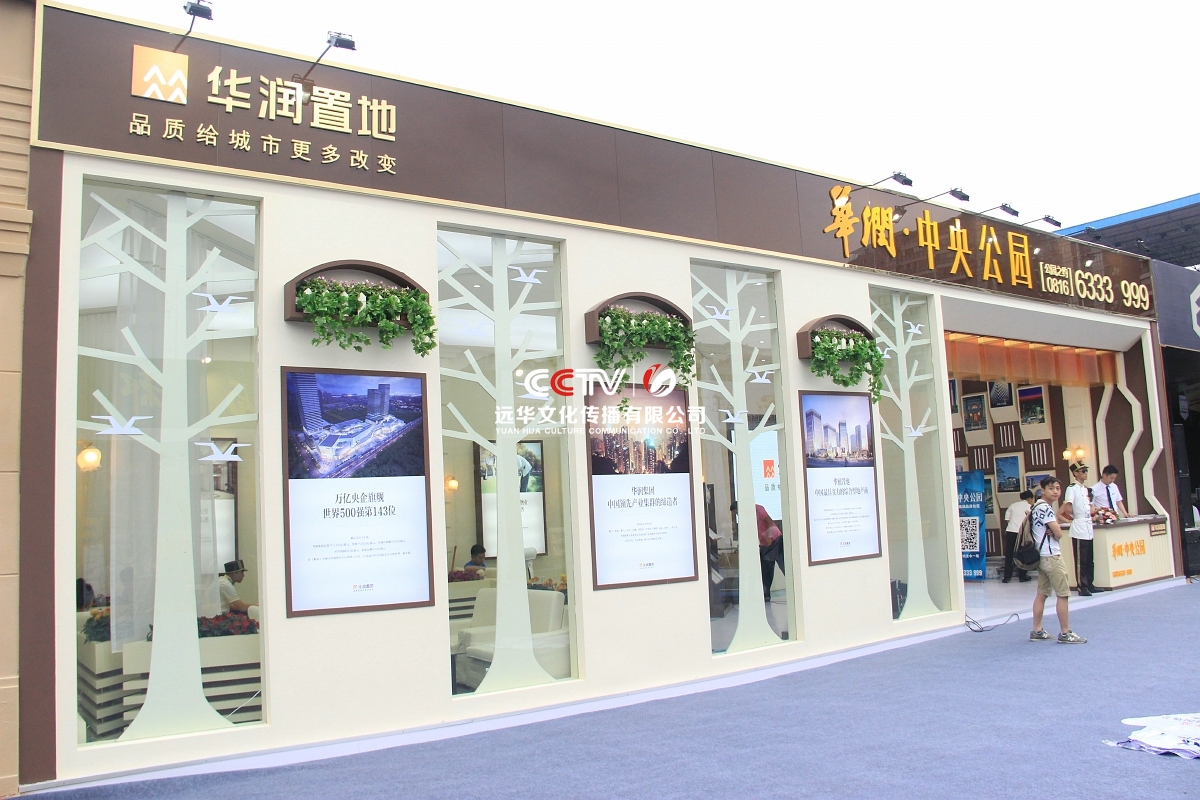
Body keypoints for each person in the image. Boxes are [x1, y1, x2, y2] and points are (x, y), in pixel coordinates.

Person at [1029, 477, 1086, 644]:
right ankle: (1065, 632)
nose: (1055, 491)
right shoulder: (1046, 508)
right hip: (1052, 556)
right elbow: (1059, 533)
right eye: (1051, 488)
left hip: (1041, 556)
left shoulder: (1035, 507)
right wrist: (1056, 532)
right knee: (1063, 594)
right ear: (1043, 490)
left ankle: (1037, 629)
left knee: (1042, 593)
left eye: (1058, 488)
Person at [1060, 461, 1101, 596]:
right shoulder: (1072, 488)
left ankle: (1090, 583)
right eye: (1083, 471)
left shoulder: (1085, 489)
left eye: (1086, 471)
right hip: (1079, 524)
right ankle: (1082, 586)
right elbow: (1068, 506)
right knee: (1081, 559)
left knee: (1089, 558)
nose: (1085, 473)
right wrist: (1075, 516)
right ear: (1075, 473)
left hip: (1087, 524)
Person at [1002, 491, 1034, 583]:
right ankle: (1022, 576)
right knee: (1022, 554)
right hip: (1022, 533)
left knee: (1009, 554)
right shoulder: (1030, 507)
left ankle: (1007, 577)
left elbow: (1007, 519)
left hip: (1011, 531)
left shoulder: (1013, 505)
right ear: (1029, 498)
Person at [757, 504, 784, 602]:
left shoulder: (758, 508)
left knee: (784, 565)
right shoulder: (745, 516)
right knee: (766, 570)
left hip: (775, 540)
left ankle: (795, 588)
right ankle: (766, 595)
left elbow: (769, 521)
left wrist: (768, 536)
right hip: (764, 544)